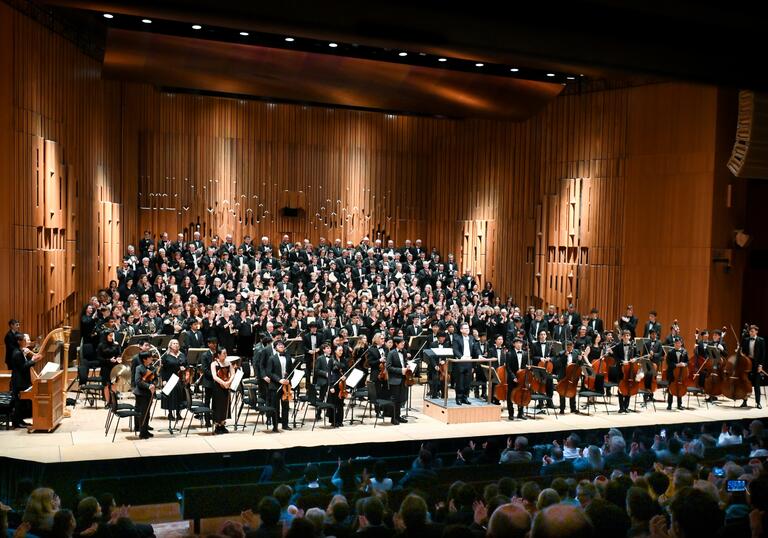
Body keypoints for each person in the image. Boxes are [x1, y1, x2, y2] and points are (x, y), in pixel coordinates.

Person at [8, 333, 43, 428]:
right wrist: (33, 360)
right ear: (19, 341)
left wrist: (31, 360)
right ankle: (17, 422)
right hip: (19, 382)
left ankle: (20, 421)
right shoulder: (17, 353)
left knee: (21, 403)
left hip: (21, 380)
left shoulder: (19, 351)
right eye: (24, 340)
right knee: (19, 403)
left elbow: (25, 365)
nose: (25, 341)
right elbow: (23, 367)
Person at [265, 340, 293, 432]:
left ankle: (285, 425)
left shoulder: (288, 357)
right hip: (275, 385)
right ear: (275, 347)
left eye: (282, 345)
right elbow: (269, 372)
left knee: (285, 406)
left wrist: (288, 379)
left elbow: (291, 371)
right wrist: (279, 380)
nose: (281, 346)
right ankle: (275, 426)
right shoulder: (271, 358)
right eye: (279, 345)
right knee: (275, 406)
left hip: (286, 385)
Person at [452, 323, 479, 405]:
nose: (467, 329)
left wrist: (479, 355)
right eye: (465, 328)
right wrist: (461, 357)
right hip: (460, 362)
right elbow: (455, 350)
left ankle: (465, 397)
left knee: (467, 382)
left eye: (468, 328)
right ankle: (458, 398)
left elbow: (475, 349)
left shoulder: (471, 338)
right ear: (461, 330)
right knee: (460, 382)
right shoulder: (457, 338)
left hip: (469, 362)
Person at [160, 338, 187, 421]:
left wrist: (184, 368)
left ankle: (179, 413)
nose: (176, 345)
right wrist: (164, 380)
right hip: (169, 378)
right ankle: (170, 413)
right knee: (171, 397)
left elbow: (186, 364)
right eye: (174, 343)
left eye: (177, 343)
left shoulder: (182, 355)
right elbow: (162, 369)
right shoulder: (166, 356)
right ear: (170, 345)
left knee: (180, 396)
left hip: (180, 379)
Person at [386, 337, 409, 425]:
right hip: (394, 380)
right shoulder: (391, 353)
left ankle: (398, 416)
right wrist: (400, 370)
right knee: (394, 400)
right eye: (401, 343)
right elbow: (388, 367)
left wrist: (408, 366)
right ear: (396, 344)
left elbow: (404, 362)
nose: (403, 344)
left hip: (403, 379)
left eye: (403, 342)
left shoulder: (404, 352)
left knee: (400, 399)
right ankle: (393, 418)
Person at [211, 347, 234, 434]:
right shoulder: (214, 364)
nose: (226, 355)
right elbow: (214, 376)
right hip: (217, 387)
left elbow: (233, 373)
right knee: (218, 406)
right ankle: (217, 426)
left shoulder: (228, 363)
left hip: (226, 386)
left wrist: (228, 382)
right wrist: (223, 383)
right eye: (224, 353)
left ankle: (223, 424)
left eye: (226, 353)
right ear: (219, 355)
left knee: (225, 405)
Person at [133, 351, 155, 439]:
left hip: (148, 394)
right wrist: (148, 385)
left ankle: (145, 430)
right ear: (144, 359)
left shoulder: (150, 367)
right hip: (141, 394)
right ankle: (142, 433)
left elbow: (154, 379)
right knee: (143, 413)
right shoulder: (139, 368)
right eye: (149, 357)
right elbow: (138, 381)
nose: (151, 358)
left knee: (147, 413)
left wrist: (154, 382)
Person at [742, 324, 765, 409]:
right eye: (750, 331)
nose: (750, 332)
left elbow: (763, 354)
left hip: (756, 365)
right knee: (746, 384)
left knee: (757, 384)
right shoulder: (746, 340)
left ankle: (758, 402)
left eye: (752, 331)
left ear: (756, 332)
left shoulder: (761, 340)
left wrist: (760, 365)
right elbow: (743, 352)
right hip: (748, 364)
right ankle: (744, 401)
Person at [96, 330, 121, 406]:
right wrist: (109, 360)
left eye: (112, 335)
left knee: (113, 384)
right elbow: (99, 358)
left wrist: (118, 359)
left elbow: (119, 355)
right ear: (106, 336)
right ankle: (108, 402)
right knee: (106, 385)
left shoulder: (116, 345)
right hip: (105, 367)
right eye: (110, 335)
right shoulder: (101, 345)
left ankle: (113, 402)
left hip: (114, 367)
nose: (111, 337)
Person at [666, 337, 688, 411]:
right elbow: (668, 363)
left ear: (681, 343)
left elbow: (687, 362)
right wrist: (676, 365)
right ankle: (669, 404)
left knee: (680, 387)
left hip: (681, 373)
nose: (677, 344)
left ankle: (679, 405)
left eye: (678, 343)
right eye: (675, 343)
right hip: (672, 372)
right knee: (670, 388)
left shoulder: (684, 351)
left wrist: (684, 364)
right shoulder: (670, 352)